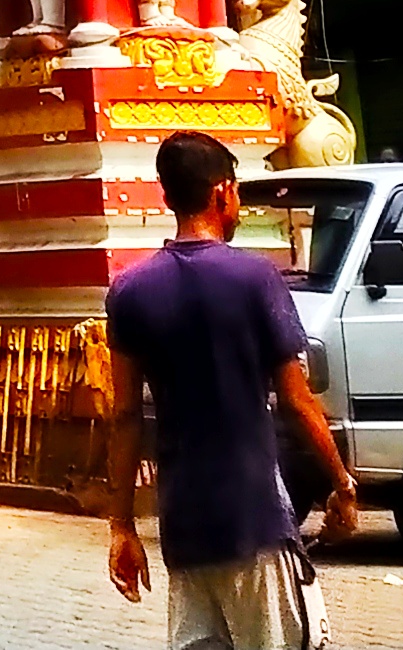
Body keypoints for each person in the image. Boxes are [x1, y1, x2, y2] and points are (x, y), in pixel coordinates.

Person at [106, 131, 360, 650]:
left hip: (183, 528)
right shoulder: (255, 278)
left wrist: (122, 526)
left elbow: (126, 416)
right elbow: (296, 399)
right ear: (222, 191)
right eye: (238, 191)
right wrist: (342, 482)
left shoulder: (129, 292)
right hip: (254, 518)